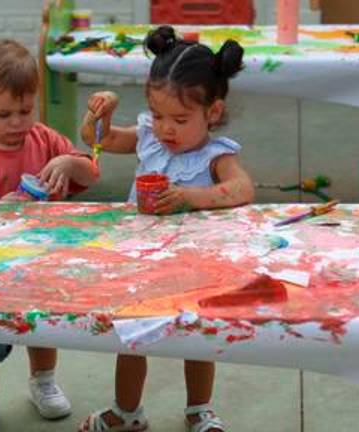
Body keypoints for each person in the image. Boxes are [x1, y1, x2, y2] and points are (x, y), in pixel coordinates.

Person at [78, 25, 254, 432]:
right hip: (141, 259)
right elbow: (95, 139)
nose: (166, 129)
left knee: (196, 337)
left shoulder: (215, 156)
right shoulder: (149, 139)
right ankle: (126, 412)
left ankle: (199, 411)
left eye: (179, 118)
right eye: (157, 115)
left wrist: (190, 197)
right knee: (133, 332)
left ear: (212, 112)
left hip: (195, 261)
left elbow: (243, 188)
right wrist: (99, 112)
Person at [0, 39, 99, 432]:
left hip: (44, 256)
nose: (18, 122)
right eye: (4, 114)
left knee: (42, 324)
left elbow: (92, 176)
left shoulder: (47, 140)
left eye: (26, 110)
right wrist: (2, 208)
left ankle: (44, 381)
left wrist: (71, 162)